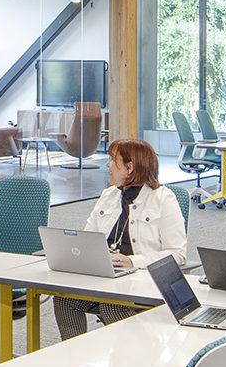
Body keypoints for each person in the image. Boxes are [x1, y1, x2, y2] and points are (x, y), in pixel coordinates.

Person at [53, 137, 189, 339]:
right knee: (65, 299)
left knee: (112, 306)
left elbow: (178, 254)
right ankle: (73, 354)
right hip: (106, 277)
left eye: (112, 160)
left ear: (130, 167)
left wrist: (132, 261)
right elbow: (87, 240)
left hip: (143, 280)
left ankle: (131, 355)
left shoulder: (163, 199)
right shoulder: (108, 196)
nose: (107, 165)